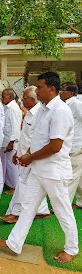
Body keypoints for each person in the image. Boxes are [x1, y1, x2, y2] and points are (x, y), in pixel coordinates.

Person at [0, 72, 79, 264]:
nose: (36, 91)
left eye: (40, 87)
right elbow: (38, 138)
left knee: (62, 210)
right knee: (27, 207)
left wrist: (30, 157)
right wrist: (29, 158)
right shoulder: (42, 109)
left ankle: (72, 248)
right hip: (39, 170)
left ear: (52, 89)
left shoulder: (60, 111)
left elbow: (55, 145)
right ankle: (14, 243)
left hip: (54, 171)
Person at [0, 86, 50, 223]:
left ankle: (16, 212)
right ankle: (42, 210)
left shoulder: (39, 113)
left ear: (32, 99)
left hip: (32, 156)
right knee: (31, 183)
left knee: (23, 182)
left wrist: (29, 155)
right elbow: (24, 136)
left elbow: (37, 139)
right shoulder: (29, 113)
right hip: (24, 154)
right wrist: (17, 152)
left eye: (24, 97)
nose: (21, 100)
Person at [60, 82, 82, 210]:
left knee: (71, 175)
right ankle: (80, 202)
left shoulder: (77, 104)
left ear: (71, 93)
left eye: (63, 90)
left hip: (76, 146)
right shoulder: (65, 105)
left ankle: (63, 206)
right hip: (69, 146)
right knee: (78, 177)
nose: (60, 93)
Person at [0, 88, 22, 195]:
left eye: (3, 96)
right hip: (5, 140)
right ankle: (7, 183)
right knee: (5, 163)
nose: (1, 98)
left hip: (11, 141)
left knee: (11, 164)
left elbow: (15, 127)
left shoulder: (13, 108)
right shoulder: (7, 108)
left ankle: (15, 187)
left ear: (10, 97)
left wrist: (11, 142)